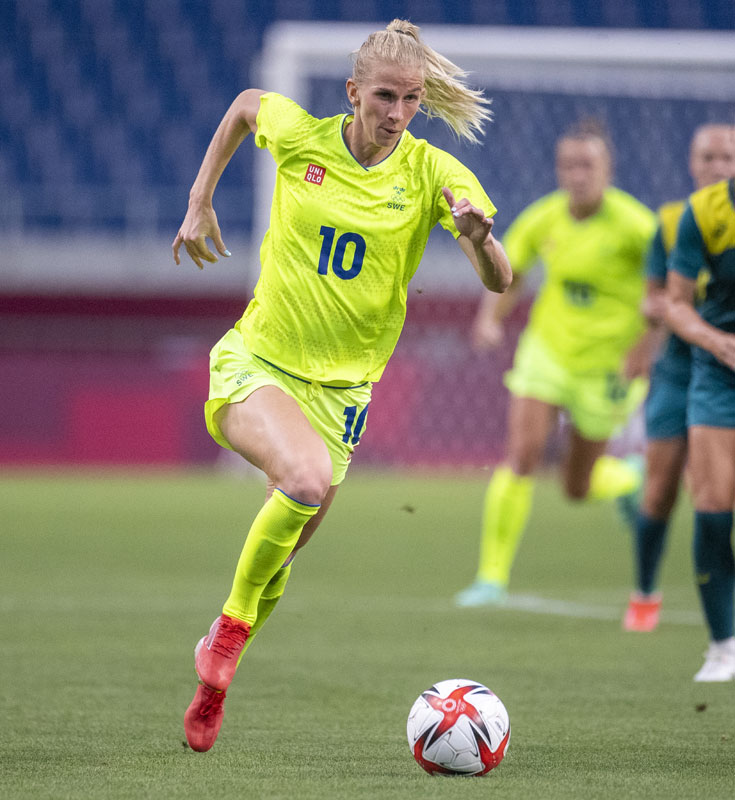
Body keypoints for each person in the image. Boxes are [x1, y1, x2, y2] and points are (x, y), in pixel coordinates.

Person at [171, 19, 512, 752]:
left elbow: (500, 278)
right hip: (257, 365)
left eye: (412, 99)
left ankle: (216, 675)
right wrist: (200, 199)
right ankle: (225, 637)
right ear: (353, 91)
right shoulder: (302, 137)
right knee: (303, 481)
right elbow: (245, 105)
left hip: (341, 399)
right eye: (384, 96)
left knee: (284, 550)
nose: (397, 113)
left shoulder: (432, 173)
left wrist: (480, 240)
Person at [455, 121, 657, 608]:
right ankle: (490, 579)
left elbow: (665, 294)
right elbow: (511, 271)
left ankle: (627, 478)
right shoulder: (544, 218)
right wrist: (489, 320)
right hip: (547, 353)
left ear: (607, 169)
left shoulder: (636, 227)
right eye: (568, 165)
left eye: (587, 165)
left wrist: (642, 352)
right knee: (522, 455)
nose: (577, 175)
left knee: (576, 487)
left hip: (606, 367)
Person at [623, 125, 735, 632]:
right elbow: (654, 298)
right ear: (692, 163)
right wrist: (660, 312)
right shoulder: (672, 222)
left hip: (723, 373)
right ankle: (645, 592)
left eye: (726, 157)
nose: (717, 167)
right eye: (707, 157)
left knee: (713, 497)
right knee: (660, 491)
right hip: (679, 371)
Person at [666, 175, 735, 681]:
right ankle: (723, 647)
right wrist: (717, 342)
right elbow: (676, 303)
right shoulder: (706, 212)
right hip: (720, 373)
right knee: (712, 509)